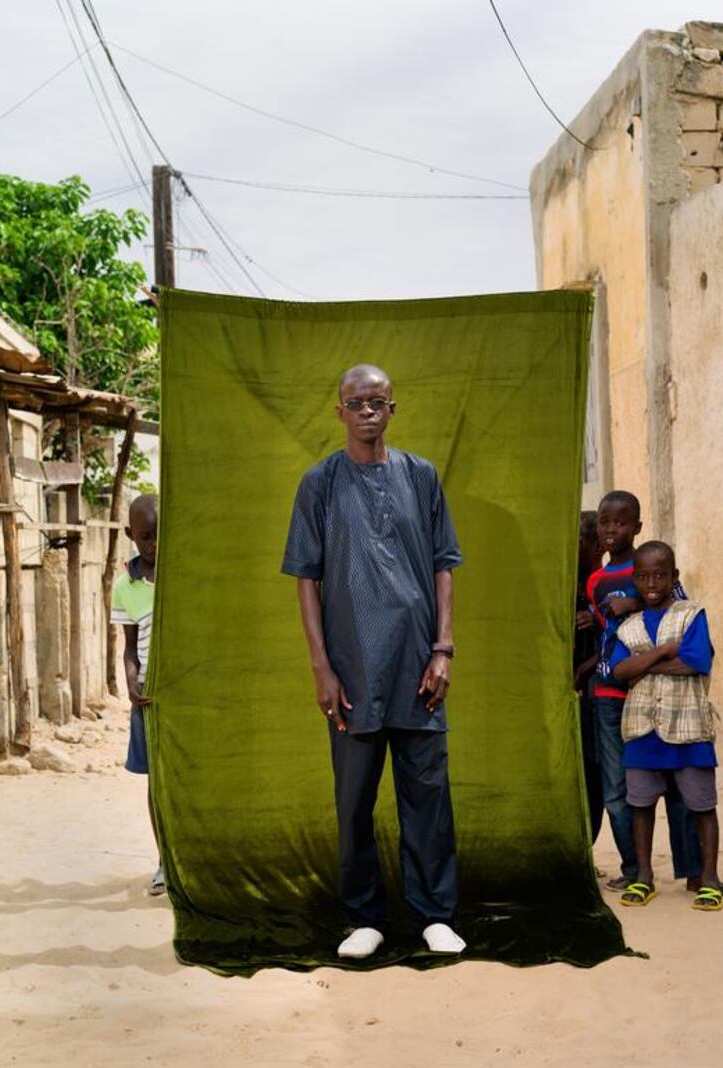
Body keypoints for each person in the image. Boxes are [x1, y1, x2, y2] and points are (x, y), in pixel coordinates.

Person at [282, 364, 465, 960]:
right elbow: (306, 579)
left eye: (377, 401)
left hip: (418, 668)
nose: (367, 410)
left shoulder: (421, 477)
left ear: (393, 409)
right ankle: (363, 918)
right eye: (356, 402)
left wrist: (443, 649)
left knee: (427, 797)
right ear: (339, 411)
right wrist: (321, 667)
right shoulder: (320, 484)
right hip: (354, 669)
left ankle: (435, 914)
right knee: (354, 799)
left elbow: (443, 564)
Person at [586, 491, 701, 892]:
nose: (611, 529)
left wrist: (634, 600)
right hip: (609, 695)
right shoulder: (596, 581)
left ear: (637, 526)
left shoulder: (654, 569)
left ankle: (694, 872)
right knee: (620, 789)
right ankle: (635, 869)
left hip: (658, 693)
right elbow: (605, 635)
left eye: (620, 522)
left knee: (678, 786)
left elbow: (681, 613)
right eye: (604, 521)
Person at [611, 541, 723, 911]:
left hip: (689, 727)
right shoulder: (628, 626)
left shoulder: (692, 614)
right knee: (641, 805)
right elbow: (619, 671)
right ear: (635, 580)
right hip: (643, 729)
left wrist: (641, 665)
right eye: (643, 576)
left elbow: (697, 662)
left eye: (660, 574)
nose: (652, 583)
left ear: (673, 577)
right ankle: (644, 877)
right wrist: (662, 652)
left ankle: (708, 878)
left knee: (702, 805)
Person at [110, 494, 164, 896]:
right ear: (131, 535)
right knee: (157, 785)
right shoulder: (124, 586)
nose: (154, 545)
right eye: (145, 537)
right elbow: (129, 647)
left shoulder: (181, 573)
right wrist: (131, 682)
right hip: (149, 698)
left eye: (160, 535)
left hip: (182, 698)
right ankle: (165, 861)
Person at [574, 511, 603, 844]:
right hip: (577, 692)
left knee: (596, 774)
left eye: (578, 542)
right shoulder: (568, 584)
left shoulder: (613, 585)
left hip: (601, 693)